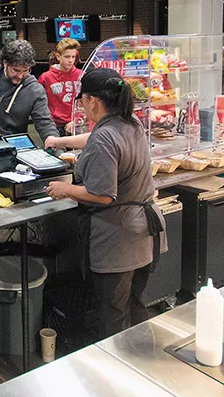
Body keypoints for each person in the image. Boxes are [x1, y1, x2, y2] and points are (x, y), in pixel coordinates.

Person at [43, 68, 166, 338]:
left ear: (94, 102)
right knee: (134, 304)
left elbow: (103, 194)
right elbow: (97, 139)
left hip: (117, 240)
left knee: (113, 314)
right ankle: (140, 358)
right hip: (145, 234)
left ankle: (116, 368)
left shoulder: (104, 138)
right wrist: (61, 140)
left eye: (83, 100)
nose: (83, 105)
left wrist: (68, 189)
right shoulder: (129, 122)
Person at [0, 39, 59, 142]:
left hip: (13, 146)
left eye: (26, 70)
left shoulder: (35, 90)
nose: (20, 76)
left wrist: (53, 139)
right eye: (16, 70)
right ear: (5, 63)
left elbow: (44, 122)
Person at [37, 39, 84, 135]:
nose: (70, 60)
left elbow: (86, 102)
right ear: (58, 56)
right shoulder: (45, 77)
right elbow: (39, 104)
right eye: (67, 57)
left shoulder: (82, 75)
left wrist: (76, 120)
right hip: (54, 125)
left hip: (77, 123)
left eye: (73, 57)